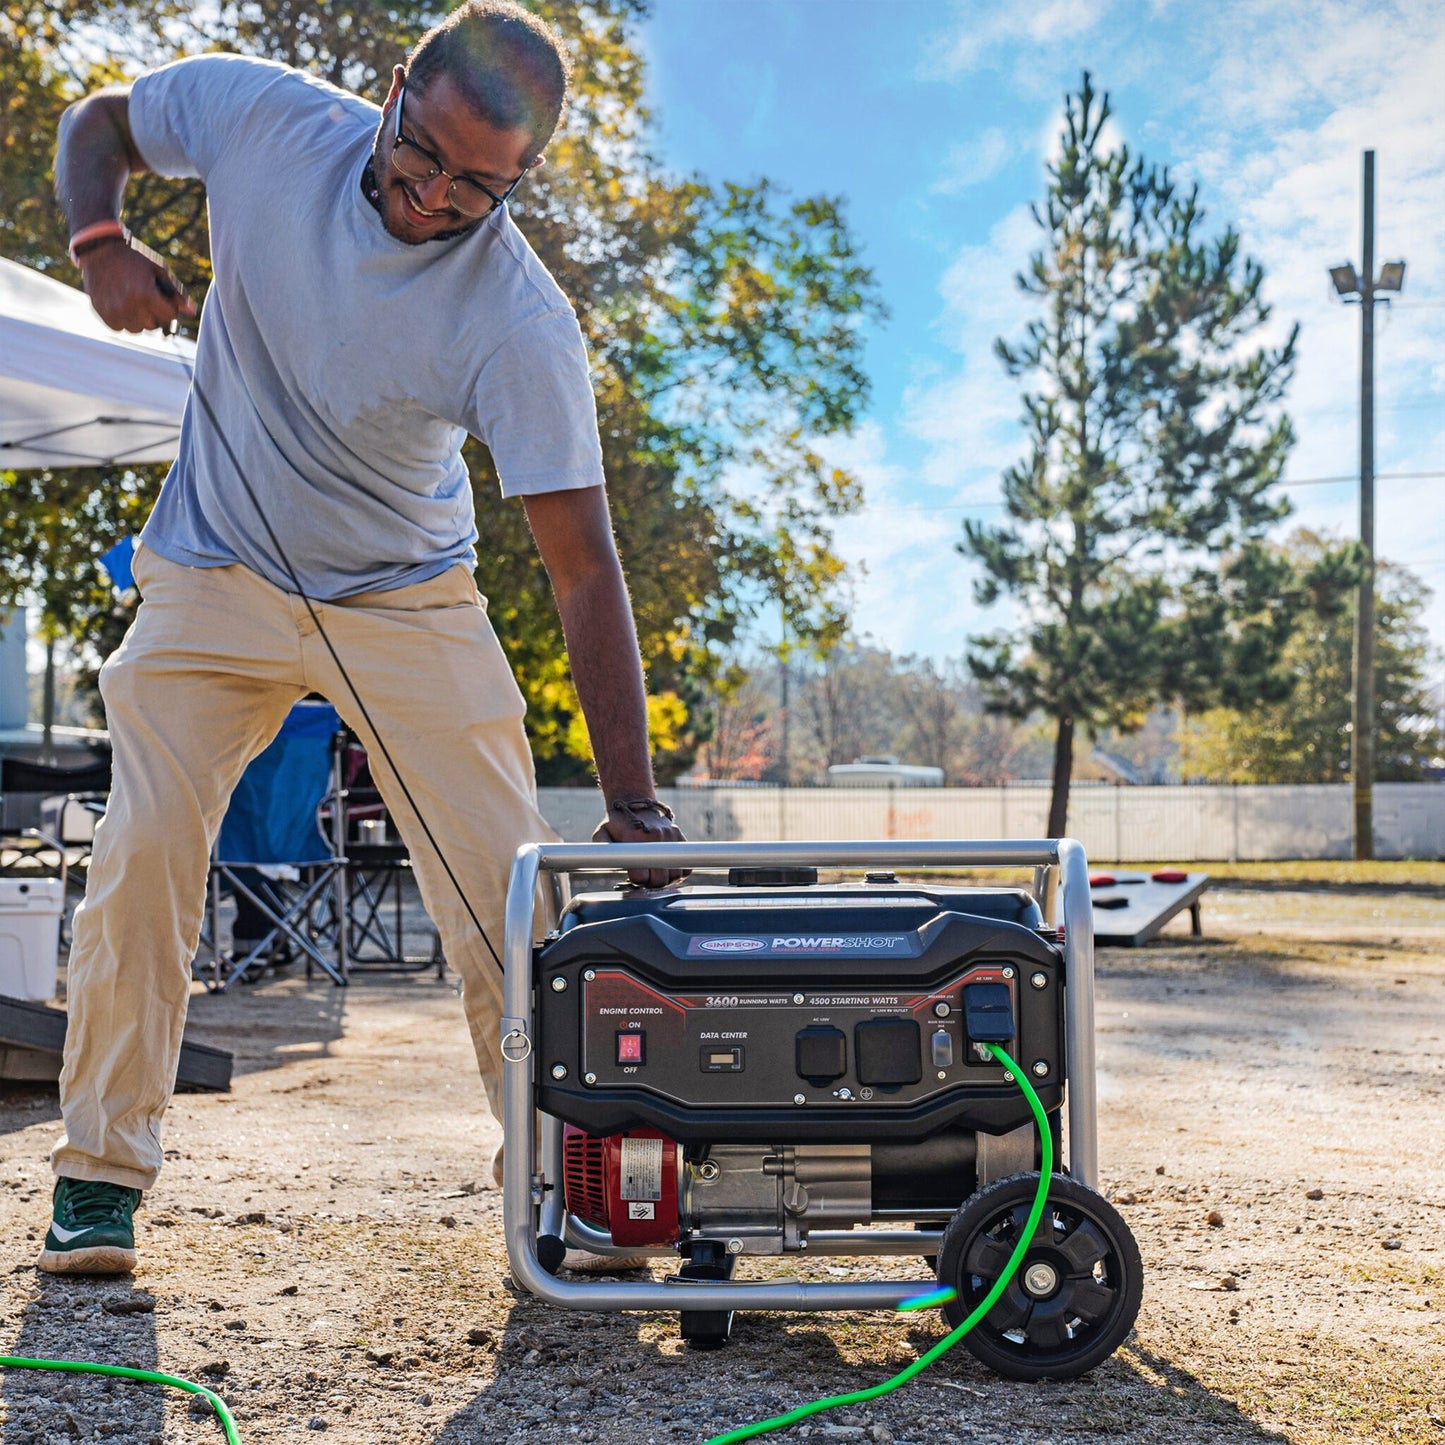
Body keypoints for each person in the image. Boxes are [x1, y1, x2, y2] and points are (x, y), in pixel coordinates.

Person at [43, 0, 684, 1275]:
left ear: (521, 183)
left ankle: (559, 1184)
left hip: (403, 597)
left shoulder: (518, 317)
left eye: (476, 186)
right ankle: (99, 1176)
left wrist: (635, 805)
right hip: (213, 568)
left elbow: (580, 564)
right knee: (146, 853)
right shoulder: (261, 119)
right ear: (393, 90)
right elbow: (95, 123)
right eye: (424, 154)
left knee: (506, 889)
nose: (433, 197)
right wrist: (99, 235)